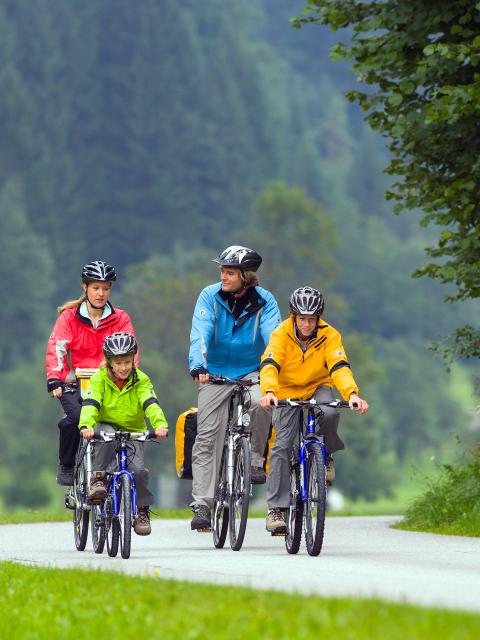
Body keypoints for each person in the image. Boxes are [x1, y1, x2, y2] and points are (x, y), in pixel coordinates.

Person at [260, 286, 368, 534]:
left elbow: (339, 366)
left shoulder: (330, 335)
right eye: (302, 319)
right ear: (293, 315)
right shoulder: (281, 334)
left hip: (317, 386)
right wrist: (269, 392)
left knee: (330, 413)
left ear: (319, 317)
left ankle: (326, 456)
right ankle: (276, 509)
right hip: (285, 390)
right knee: (281, 446)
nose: (307, 324)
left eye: (312, 319)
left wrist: (351, 394)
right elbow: (270, 364)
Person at [188, 245, 282, 530]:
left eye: (229, 272)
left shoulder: (265, 301)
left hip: (252, 370)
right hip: (214, 372)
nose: (223, 276)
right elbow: (200, 331)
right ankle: (202, 505)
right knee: (207, 435)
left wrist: (274, 370)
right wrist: (198, 366)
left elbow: (273, 339)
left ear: (246, 276)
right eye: (222, 271)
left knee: (262, 402)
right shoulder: (210, 295)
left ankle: (254, 458)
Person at [46, 260, 137, 486]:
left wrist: (127, 375)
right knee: (76, 420)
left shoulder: (120, 318)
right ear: (85, 287)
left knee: (116, 425)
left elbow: (131, 351)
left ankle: (110, 475)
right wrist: (55, 378)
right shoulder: (69, 317)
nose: (101, 293)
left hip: (109, 383)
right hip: (76, 383)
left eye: (106, 288)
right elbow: (57, 348)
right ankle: (67, 464)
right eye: (96, 288)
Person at [79, 332, 168, 536]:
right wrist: (86, 426)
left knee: (138, 471)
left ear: (133, 360)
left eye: (127, 362)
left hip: (132, 430)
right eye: (118, 363)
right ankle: (99, 478)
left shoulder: (141, 380)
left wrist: (160, 425)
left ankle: (142, 511)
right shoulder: (99, 379)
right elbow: (91, 403)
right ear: (109, 362)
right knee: (108, 435)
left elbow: (150, 403)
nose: (124, 367)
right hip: (105, 426)